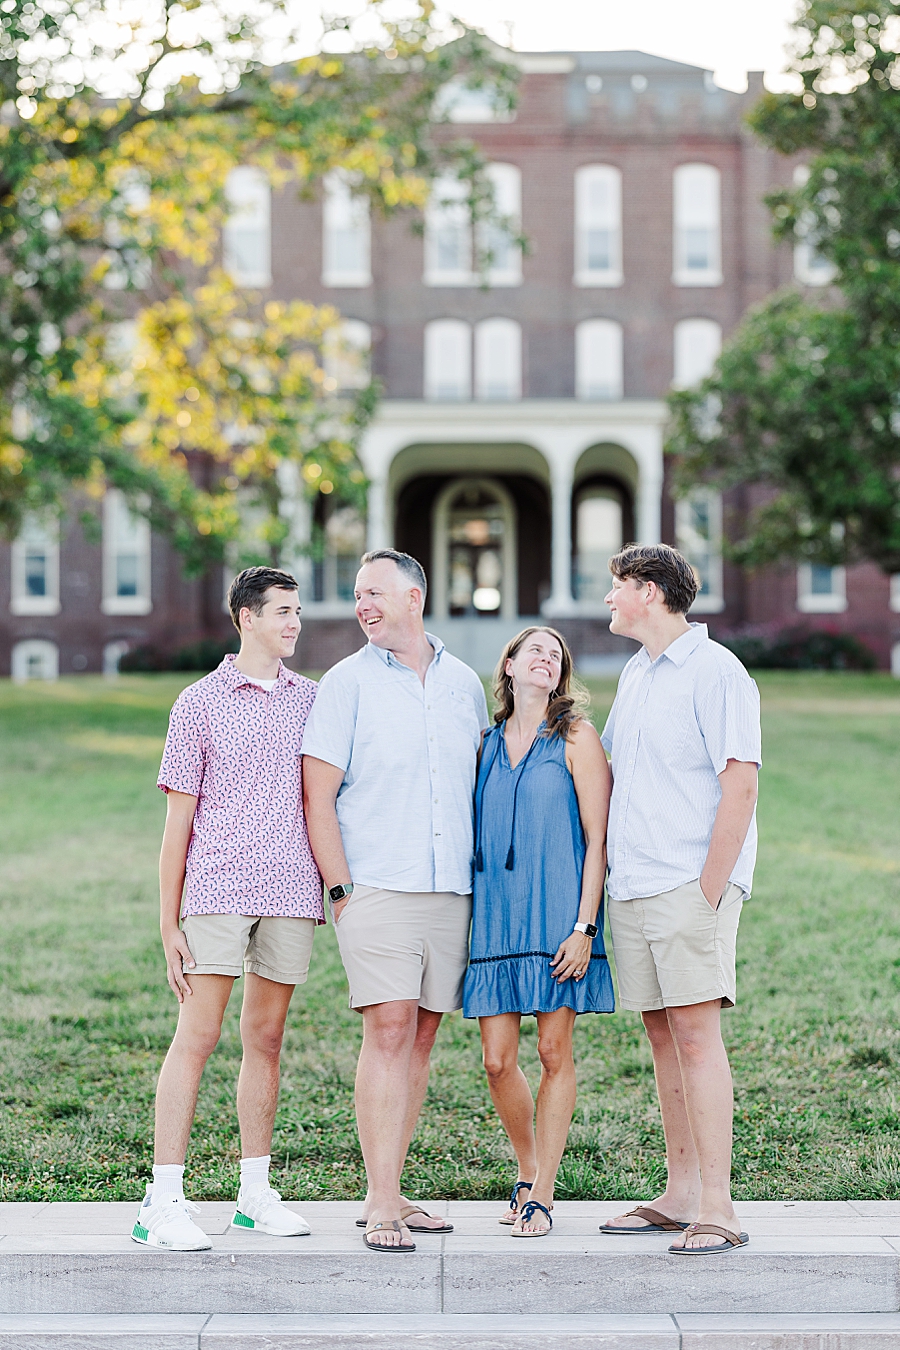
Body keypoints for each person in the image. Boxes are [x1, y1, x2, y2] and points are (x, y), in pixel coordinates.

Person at [302, 549, 489, 1253]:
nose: (363, 605)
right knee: (386, 1030)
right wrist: (342, 889)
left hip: (451, 890)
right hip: (375, 885)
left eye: (375, 592)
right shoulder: (344, 683)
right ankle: (379, 1202)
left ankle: (395, 1188)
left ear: (416, 595)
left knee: (420, 1038)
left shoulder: (465, 683)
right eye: (357, 595)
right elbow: (317, 795)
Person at [132, 566, 322, 1251]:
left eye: (297, 611)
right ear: (247, 618)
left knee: (265, 1040)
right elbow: (175, 824)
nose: (293, 623)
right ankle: (164, 1198)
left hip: (290, 891)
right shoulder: (199, 702)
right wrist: (167, 922)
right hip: (215, 888)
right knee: (199, 1035)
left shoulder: (313, 700)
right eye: (282, 612)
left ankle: (253, 1193)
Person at [598, 543, 760, 1255]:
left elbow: (741, 784)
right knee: (662, 1036)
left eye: (618, 586)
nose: (609, 599)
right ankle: (681, 1190)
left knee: (696, 1036)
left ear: (652, 592)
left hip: (688, 886)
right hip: (633, 885)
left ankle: (719, 1207)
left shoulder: (717, 671)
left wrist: (709, 890)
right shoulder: (636, 674)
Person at [463, 626, 614, 1238]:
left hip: (558, 920)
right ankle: (526, 1167)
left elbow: (599, 840)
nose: (547, 660)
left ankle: (544, 1191)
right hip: (497, 922)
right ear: (509, 664)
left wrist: (585, 926)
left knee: (554, 1053)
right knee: (498, 1062)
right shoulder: (483, 744)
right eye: (536, 651)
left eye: (556, 655)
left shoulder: (577, 737)